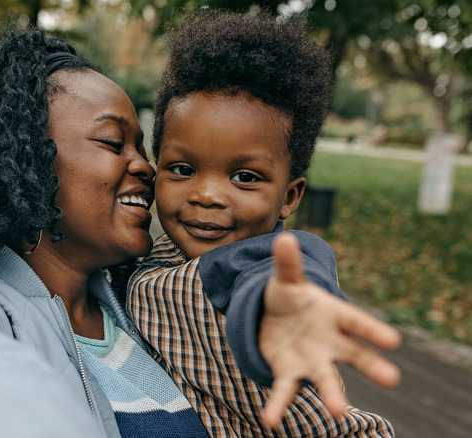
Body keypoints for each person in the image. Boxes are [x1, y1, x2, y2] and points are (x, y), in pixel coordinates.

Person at [0, 30, 398, 437]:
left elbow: (271, 273)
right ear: (23, 159)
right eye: (113, 143)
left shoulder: (135, 287)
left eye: (143, 148)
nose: (146, 168)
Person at [127, 11, 399, 436]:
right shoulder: (149, 255)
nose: (207, 194)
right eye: (182, 169)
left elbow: (284, 281)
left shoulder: (266, 262)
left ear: (289, 196)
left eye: (244, 177)